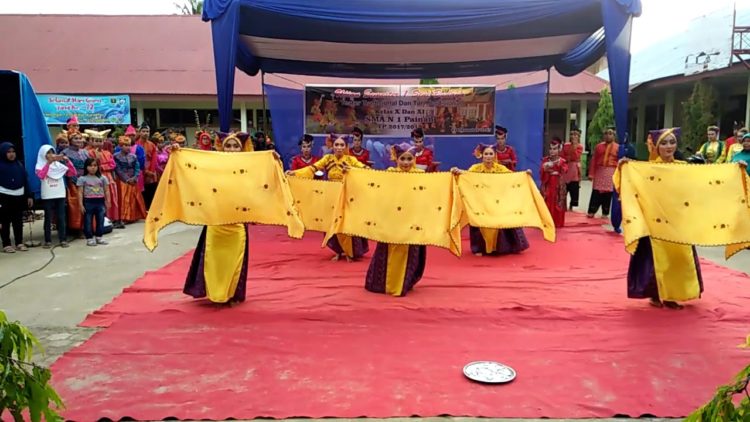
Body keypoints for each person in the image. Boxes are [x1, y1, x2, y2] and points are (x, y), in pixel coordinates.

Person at [622, 128, 703, 310]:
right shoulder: (647, 169)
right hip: (656, 222)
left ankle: (673, 294)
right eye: (664, 143)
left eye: (672, 142)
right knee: (659, 260)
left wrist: (734, 170)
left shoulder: (683, 167)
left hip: (679, 220)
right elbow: (632, 187)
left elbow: (703, 182)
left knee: (680, 258)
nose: (669, 146)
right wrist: (625, 168)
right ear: (656, 147)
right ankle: (659, 295)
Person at [183, 133, 251, 304]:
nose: (232, 149)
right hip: (216, 220)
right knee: (214, 259)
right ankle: (216, 293)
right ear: (222, 147)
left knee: (234, 260)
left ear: (242, 148)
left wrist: (272, 159)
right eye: (228, 146)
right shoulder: (212, 166)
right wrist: (178, 153)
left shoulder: (250, 167)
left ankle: (231, 292)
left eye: (236, 146)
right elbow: (192, 170)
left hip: (237, 222)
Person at [286, 137, 369, 261]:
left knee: (347, 223)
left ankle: (350, 252)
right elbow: (312, 168)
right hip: (331, 195)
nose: (339, 147)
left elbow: (364, 170)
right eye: (337, 144)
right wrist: (296, 173)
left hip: (347, 194)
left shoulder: (351, 160)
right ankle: (338, 252)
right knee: (331, 223)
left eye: (342, 145)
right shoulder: (327, 158)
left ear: (346, 146)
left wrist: (353, 170)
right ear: (333, 146)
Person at [364, 143, 426, 296]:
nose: (405, 162)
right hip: (392, 218)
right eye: (402, 159)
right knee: (389, 247)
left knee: (410, 250)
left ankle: (405, 281)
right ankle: (382, 283)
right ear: (396, 159)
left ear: (414, 160)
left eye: (409, 159)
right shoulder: (390, 173)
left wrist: (455, 174)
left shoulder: (421, 175)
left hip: (413, 219)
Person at [451, 144, 530, 256]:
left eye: (491, 154)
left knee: (502, 219)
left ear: (494, 156)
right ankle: (479, 248)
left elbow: (513, 178)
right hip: (480, 203)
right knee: (478, 221)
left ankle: (501, 247)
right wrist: (457, 171)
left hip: (497, 202)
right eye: (486, 154)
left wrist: (524, 174)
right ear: (482, 156)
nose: (488, 156)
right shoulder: (475, 168)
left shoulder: (500, 169)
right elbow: (466, 176)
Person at [35, 144, 76, 248]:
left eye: (52, 152)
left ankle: (63, 239)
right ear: (43, 154)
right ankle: (48, 240)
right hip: (48, 194)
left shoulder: (58, 165)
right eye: (48, 153)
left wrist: (67, 161)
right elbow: (41, 175)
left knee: (61, 217)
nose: (50, 155)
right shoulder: (39, 165)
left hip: (60, 193)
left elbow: (72, 173)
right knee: (48, 217)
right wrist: (48, 163)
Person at [0, 142, 33, 253]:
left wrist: (29, 196)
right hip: (4, 195)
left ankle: (19, 242)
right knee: (5, 221)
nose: (11, 154)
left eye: (13, 152)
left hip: (19, 195)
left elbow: (25, 180)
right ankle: (6, 244)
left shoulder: (19, 164)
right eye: (8, 152)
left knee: (18, 221)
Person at [86, 129, 121, 228]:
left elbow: (113, 164)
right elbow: (92, 165)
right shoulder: (88, 152)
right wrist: (100, 164)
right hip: (97, 178)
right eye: (96, 141)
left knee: (111, 198)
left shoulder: (107, 153)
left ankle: (112, 219)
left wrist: (102, 166)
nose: (98, 143)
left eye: (100, 141)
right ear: (91, 141)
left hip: (109, 177)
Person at [587, 126, 619, 218]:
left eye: (610, 133)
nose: (608, 136)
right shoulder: (599, 147)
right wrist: (591, 174)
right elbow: (594, 160)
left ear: (614, 135)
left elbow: (619, 162)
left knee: (608, 194)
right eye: (606, 133)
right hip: (600, 171)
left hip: (611, 172)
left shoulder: (618, 147)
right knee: (596, 192)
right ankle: (592, 211)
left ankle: (605, 213)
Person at [113, 136, 147, 225]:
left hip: (133, 179)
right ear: (120, 146)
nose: (128, 147)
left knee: (134, 198)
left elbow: (137, 167)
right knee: (124, 198)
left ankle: (134, 216)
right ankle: (124, 217)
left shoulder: (133, 156)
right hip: (122, 181)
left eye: (129, 145)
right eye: (125, 145)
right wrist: (126, 179)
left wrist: (135, 177)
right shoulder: (116, 156)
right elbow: (118, 169)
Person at [77, 158, 110, 246]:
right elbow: (80, 192)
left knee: (100, 220)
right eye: (90, 166)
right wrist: (80, 204)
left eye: (95, 165)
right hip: (88, 202)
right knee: (88, 221)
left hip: (100, 201)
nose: (93, 168)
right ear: (86, 167)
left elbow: (106, 190)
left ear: (98, 167)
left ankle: (99, 237)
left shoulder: (103, 178)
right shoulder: (82, 179)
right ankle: (89, 238)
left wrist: (108, 201)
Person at [61, 131, 90, 233]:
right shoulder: (64, 153)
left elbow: (90, 166)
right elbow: (64, 169)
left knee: (88, 204)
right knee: (76, 205)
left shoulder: (85, 152)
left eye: (80, 138)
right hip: (72, 182)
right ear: (70, 140)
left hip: (86, 181)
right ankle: (76, 229)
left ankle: (87, 227)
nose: (78, 140)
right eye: (75, 138)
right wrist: (76, 180)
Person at [541, 138, 568, 228]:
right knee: (547, 201)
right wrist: (545, 168)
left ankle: (557, 222)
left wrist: (555, 166)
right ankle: (546, 222)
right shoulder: (545, 160)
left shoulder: (562, 161)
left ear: (559, 149)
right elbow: (541, 171)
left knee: (558, 202)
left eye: (555, 149)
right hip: (548, 184)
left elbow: (565, 170)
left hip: (558, 185)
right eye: (551, 149)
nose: (552, 151)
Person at [135, 123, 159, 210]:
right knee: (142, 192)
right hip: (140, 171)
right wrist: (145, 171)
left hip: (151, 172)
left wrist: (151, 172)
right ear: (139, 132)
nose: (146, 133)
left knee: (152, 191)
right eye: (143, 131)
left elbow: (154, 159)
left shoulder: (152, 145)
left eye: (147, 131)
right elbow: (136, 160)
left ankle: (151, 210)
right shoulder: (136, 145)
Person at [562, 128, 583, 210]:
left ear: (578, 137)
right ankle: (563, 205)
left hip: (574, 168)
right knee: (564, 187)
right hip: (566, 166)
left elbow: (576, 156)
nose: (573, 136)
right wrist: (568, 158)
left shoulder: (580, 146)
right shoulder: (566, 145)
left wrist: (574, 146)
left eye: (575, 135)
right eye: (572, 134)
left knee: (574, 187)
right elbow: (563, 155)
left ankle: (571, 205)